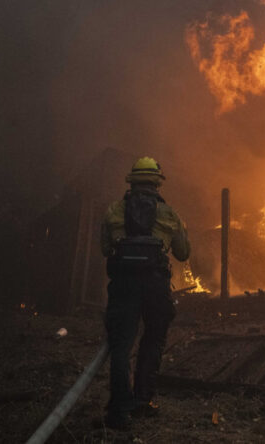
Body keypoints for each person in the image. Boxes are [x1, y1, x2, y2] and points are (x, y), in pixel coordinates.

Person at [100, 157, 190, 429]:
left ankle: (118, 409)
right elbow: (183, 254)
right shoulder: (169, 214)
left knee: (121, 345)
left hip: (123, 286)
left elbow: (105, 250)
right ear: (157, 183)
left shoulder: (113, 211)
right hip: (155, 285)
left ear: (131, 181)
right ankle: (143, 400)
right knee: (152, 340)